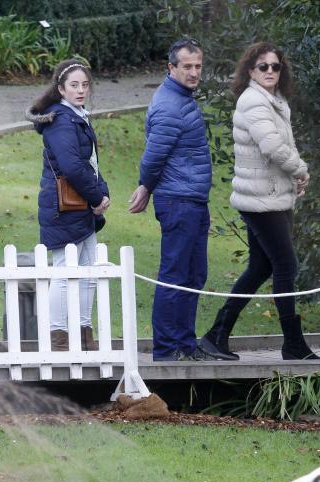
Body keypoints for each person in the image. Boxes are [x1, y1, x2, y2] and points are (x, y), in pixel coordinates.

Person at [199, 42, 320, 361]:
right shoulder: (254, 101)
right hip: (260, 200)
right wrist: (300, 170)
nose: (270, 71)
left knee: (260, 267)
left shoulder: (274, 100)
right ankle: (292, 344)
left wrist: (294, 176)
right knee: (286, 264)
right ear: (250, 71)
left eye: (275, 66)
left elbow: (284, 145)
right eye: (263, 66)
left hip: (272, 196)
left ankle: (216, 335)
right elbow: (273, 147)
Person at [128, 38, 213, 362]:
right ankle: (166, 350)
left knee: (194, 275)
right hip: (178, 201)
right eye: (187, 66)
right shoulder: (169, 106)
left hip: (192, 199)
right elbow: (153, 158)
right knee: (175, 275)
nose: (194, 72)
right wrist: (145, 187)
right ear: (171, 67)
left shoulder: (181, 99)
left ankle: (185, 344)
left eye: (198, 66)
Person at [26, 60, 110, 351]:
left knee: (88, 271)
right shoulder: (62, 119)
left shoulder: (77, 116)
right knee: (65, 271)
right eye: (74, 85)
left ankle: (83, 334)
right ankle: (58, 336)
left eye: (85, 85)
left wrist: (101, 192)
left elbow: (91, 163)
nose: (81, 90)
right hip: (63, 205)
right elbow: (72, 166)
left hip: (79, 204)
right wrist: (96, 197)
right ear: (61, 89)